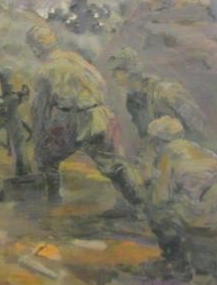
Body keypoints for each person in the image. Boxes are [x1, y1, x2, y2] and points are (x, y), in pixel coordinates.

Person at [26, 23, 142, 214]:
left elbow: (40, 108)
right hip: (98, 116)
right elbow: (101, 85)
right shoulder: (77, 60)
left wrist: (38, 134)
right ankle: (135, 204)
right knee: (112, 163)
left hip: (71, 120)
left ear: (36, 48)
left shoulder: (45, 71)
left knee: (45, 156)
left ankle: (54, 201)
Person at [144, 116, 217, 269]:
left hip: (212, 228)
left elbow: (159, 198)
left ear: (156, 141)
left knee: (156, 210)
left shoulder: (167, 155)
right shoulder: (199, 150)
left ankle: (176, 261)